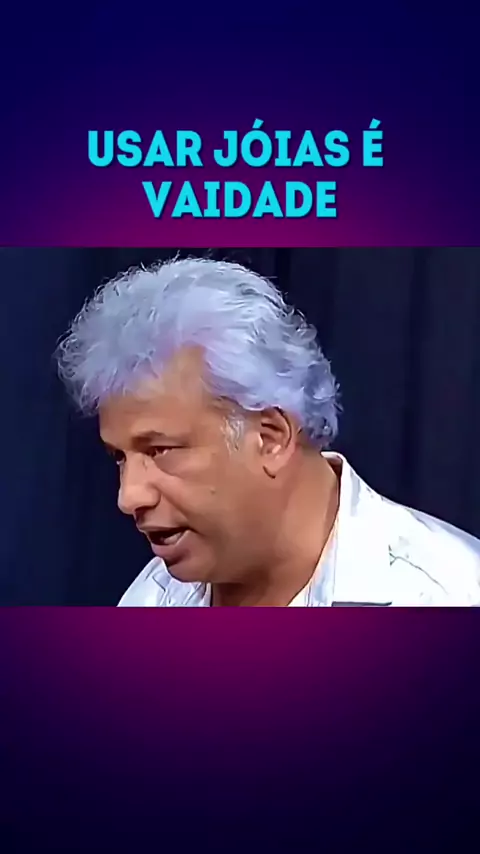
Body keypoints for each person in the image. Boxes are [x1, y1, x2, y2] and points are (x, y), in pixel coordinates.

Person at [55, 256, 480, 607]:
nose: (129, 497)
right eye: (120, 457)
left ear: (270, 437)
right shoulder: (154, 597)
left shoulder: (447, 595)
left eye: (160, 450)